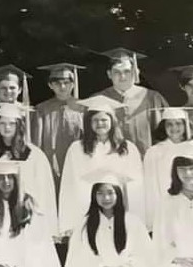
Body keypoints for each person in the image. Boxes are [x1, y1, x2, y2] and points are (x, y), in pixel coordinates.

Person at [0, 103, 57, 236]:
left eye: (11, 123)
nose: (7, 127)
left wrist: (48, 225)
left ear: (19, 126)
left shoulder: (34, 154)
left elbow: (45, 191)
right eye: (2, 123)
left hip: (24, 219)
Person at [58, 95, 146, 236]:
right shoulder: (77, 149)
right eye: (95, 120)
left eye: (104, 120)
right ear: (89, 123)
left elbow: (136, 186)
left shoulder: (127, 148)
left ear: (112, 122)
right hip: (86, 211)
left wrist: (138, 218)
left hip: (120, 210)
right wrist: (70, 222)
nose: (100, 124)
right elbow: (69, 184)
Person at [141, 107, 193, 232]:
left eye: (178, 123)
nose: (174, 128)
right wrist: (154, 219)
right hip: (167, 209)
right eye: (169, 124)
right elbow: (150, 187)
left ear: (186, 125)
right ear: (163, 127)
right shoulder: (154, 152)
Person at [92, 48, 169, 154]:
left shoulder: (152, 98)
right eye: (116, 72)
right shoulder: (98, 99)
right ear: (109, 74)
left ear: (136, 72)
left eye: (127, 71)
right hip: (110, 162)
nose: (122, 76)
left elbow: (165, 134)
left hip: (145, 161)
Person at [31, 63, 85, 189]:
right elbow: (36, 142)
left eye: (66, 82)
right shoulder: (41, 109)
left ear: (73, 84)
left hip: (76, 164)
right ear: (50, 85)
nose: (62, 86)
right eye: (57, 83)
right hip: (49, 164)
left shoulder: (83, 108)